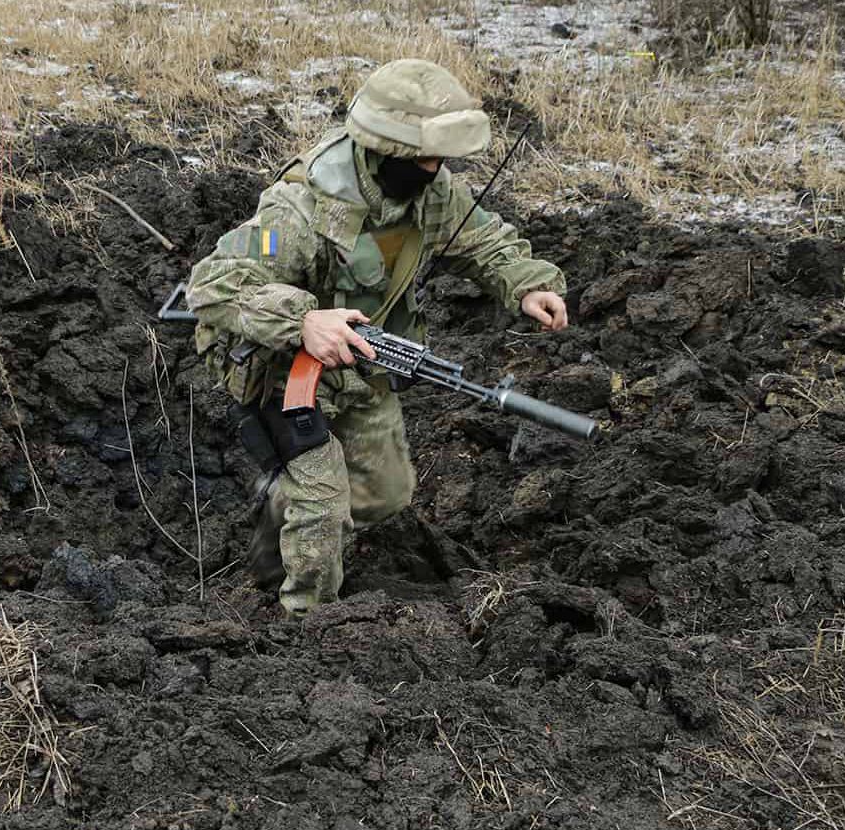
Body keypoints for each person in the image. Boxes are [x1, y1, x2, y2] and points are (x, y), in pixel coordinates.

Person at [185, 58, 570, 618]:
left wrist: (527, 285)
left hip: (362, 364)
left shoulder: (429, 193)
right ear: (386, 151)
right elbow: (215, 284)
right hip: (284, 367)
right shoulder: (300, 209)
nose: (438, 171)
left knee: (385, 494)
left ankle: (274, 533)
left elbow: (484, 243)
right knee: (322, 505)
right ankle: (305, 623)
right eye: (425, 159)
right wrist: (304, 321)